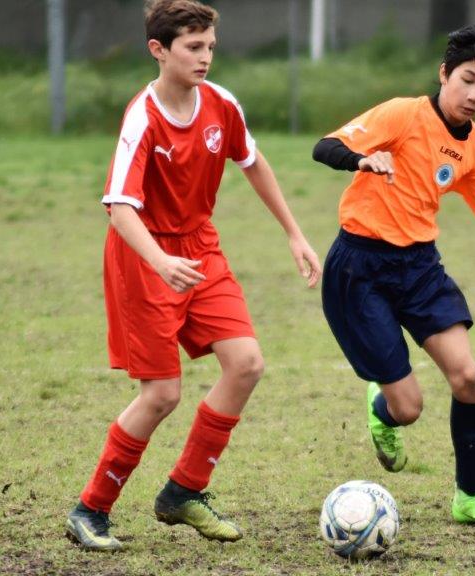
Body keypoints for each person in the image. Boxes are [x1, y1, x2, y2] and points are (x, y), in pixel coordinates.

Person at [66, 0, 322, 551]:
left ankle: (184, 490)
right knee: (161, 394)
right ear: (159, 50)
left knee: (247, 364)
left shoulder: (221, 104)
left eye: (210, 47)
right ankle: (91, 508)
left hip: (200, 249)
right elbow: (119, 207)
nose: (205, 57)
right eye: (192, 47)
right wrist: (160, 262)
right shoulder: (144, 116)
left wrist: (295, 234)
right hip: (144, 258)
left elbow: (252, 162)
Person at [312, 22, 475, 527]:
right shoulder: (402, 114)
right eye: (467, 80)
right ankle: (383, 409)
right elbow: (324, 147)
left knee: (468, 377)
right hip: (360, 268)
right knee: (408, 408)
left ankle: (470, 499)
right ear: (444, 73)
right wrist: (362, 160)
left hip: (418, 268)